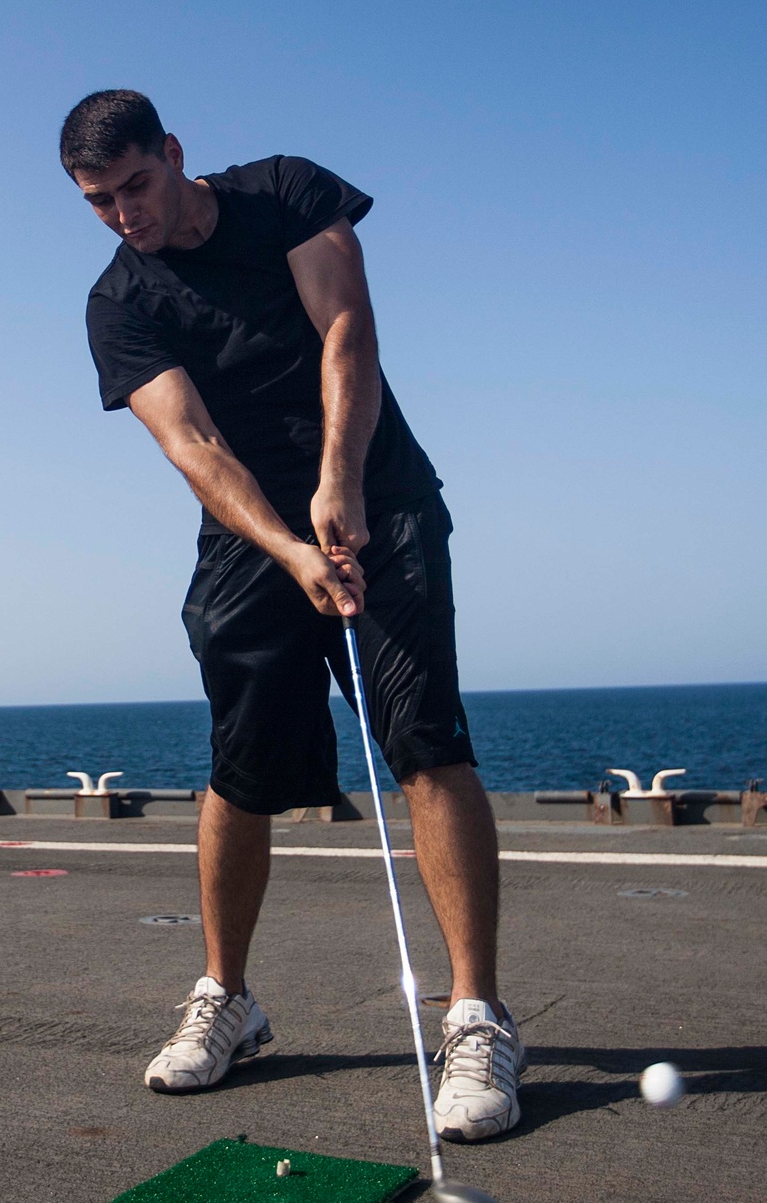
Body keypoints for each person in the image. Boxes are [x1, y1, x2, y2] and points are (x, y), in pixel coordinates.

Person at [59, 89, 524, 1142]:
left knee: (424, 745)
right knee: (242, 765)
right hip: (252, 532)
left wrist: (341, 483)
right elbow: (193, 447)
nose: (124, 213)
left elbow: (346, 333)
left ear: (174, 153)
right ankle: (228, 997)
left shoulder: (285, 193)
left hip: (378, 499)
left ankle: (477, 1018)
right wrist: (286, 547)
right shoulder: (118, 303)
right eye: (98, 202)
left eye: (135, 184)